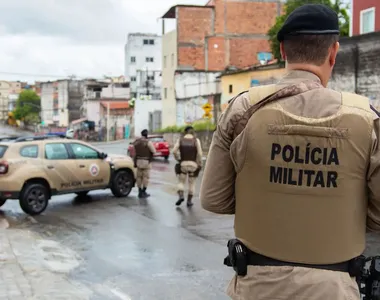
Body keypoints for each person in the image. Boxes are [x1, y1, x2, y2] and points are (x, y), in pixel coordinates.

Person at [200, 4, 380, 300]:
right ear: (334, 52)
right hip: (334, 288)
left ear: (283, 51)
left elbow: (214, 199)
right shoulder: (367, 118)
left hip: (257, 287)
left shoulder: (243, 109)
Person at [173, 126, 203, 207]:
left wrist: (178, 159)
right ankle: (189, 201)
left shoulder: (180, 140)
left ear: (185, 132)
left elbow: (174, 151)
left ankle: (181, 196)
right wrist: (199, 163)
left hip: (183, 164)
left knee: (181, 182)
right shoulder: (196, 141)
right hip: (193, 164)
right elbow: (200, 153)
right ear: (193, 132)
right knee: (192, 183)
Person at [133, 129, 156, 198]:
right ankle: (143, 191)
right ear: (147, 135)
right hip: (146, 161)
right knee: (145, 177)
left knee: (139, 177)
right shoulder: (148, 142)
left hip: (138, 161)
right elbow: (154, 151)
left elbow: (134, 149)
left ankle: (139, 191)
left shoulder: (137, 142)